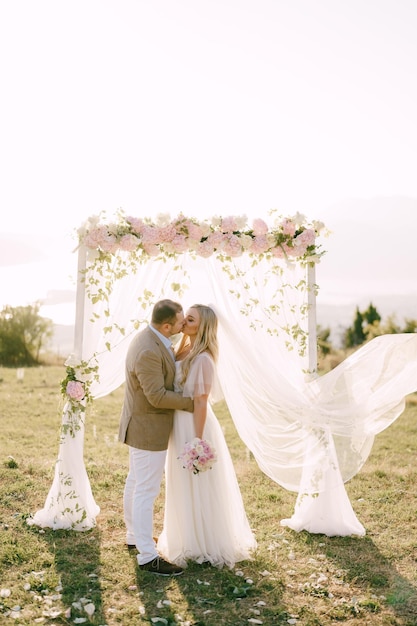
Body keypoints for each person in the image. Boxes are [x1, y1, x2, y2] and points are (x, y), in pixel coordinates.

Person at [157, 304, 257, 568]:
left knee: (198, 483)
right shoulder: (182, 350)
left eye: (190, 319)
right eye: (185, 317)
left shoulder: (203, 359)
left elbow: (201, 402)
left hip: (194, 425)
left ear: (202, 327)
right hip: (178, 423)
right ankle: (185, 536)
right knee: (180, 483)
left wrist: (197, 443)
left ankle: (203, 541)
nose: (183, 322)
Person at [119, 299, 194, 576]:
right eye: (180, 321)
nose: (183, 324)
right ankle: (148, 557)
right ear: (167, 326)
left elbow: (168, 360)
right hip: (147, 427)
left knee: (136, 482)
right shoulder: (148, 350)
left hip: (141, 423)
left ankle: (133, 537)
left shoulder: (154, 338)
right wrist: (192, 402)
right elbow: (157, 396)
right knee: (146, 490)